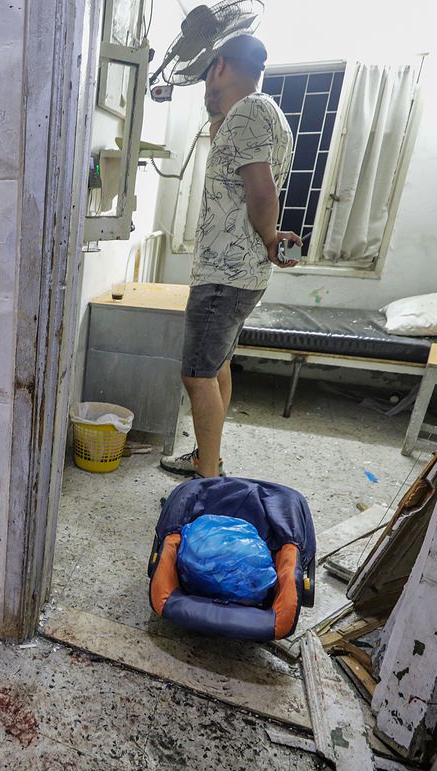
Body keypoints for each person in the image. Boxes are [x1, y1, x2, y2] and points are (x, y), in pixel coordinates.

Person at [161, 34, 301, 480]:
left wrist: (268, 233)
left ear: (220, 66)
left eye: (207, 75)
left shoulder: (247, 113)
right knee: (217, 367)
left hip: (225, 273)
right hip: (240, 274)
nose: (206, 85)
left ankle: (208, 482)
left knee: (197, 375)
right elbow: (244, 173)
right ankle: (209, 459)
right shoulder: (264, 114)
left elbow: (262, 190)